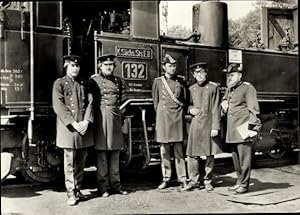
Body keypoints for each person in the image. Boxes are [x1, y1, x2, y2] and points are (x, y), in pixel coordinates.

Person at [52, 55, 94, 206]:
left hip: (82, 128)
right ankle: (70, 192)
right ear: (66, 67)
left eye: (77, 66)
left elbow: (90, 103)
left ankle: (78, 190)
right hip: (69, 129)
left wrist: (86, 121)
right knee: (69, 162)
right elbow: (58, 105)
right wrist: (73, 123)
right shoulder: (59, 83)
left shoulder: (84, 83)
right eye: (72, 66)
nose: (75, 68)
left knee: (81, 162)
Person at [89, 54, 128, 198]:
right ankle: (103, 188)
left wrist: (120, 116)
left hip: (115, 121)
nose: (109, 67)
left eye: (111, 65)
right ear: (100, 66)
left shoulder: (118, 81)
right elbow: (90, 102)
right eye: (106, 65)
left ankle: (116, 186)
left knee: (115, 155)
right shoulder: (94, 81)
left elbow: (124, 101)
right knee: (102, 157)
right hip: (100, 121)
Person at [182, 62, 222, 192]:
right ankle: (194, 181)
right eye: (196, 73)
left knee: (209, 154)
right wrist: (190, 109)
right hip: (195, 125)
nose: (199, 75)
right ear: (193, 75)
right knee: (192, 155)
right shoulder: (191, 89)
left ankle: (207, 181)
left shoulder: (213, 88)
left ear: (206, 73)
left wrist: (215, 127)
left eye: (201, 72)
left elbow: (216, 108)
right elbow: (187, 105)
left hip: (209, 124)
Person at [221, 63, 260, 194]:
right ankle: (239, 181)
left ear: (240, 75)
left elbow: (254, 110)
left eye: (232, 75)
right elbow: (225, 105)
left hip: (243, 128)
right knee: (236, 159)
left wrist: (251, 131)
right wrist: (223, 104)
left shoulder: (248, 88)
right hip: (232, 130)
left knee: (244, 159)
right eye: (228, 76)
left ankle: (244, 184)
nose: (229, 78)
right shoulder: (229, 89)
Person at [152, 54, 189, 190]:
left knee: (179, 152)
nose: (172, 68)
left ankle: (182, 179)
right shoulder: (157, 82)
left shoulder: (181, 81)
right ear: (164, 67)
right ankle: (166, 178)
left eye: (174, 66)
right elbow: (156, 102)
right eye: (169, 66)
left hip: (177, 118)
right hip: (163, 118)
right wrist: (161, 115)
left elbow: (185, 100)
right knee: (164, 151)